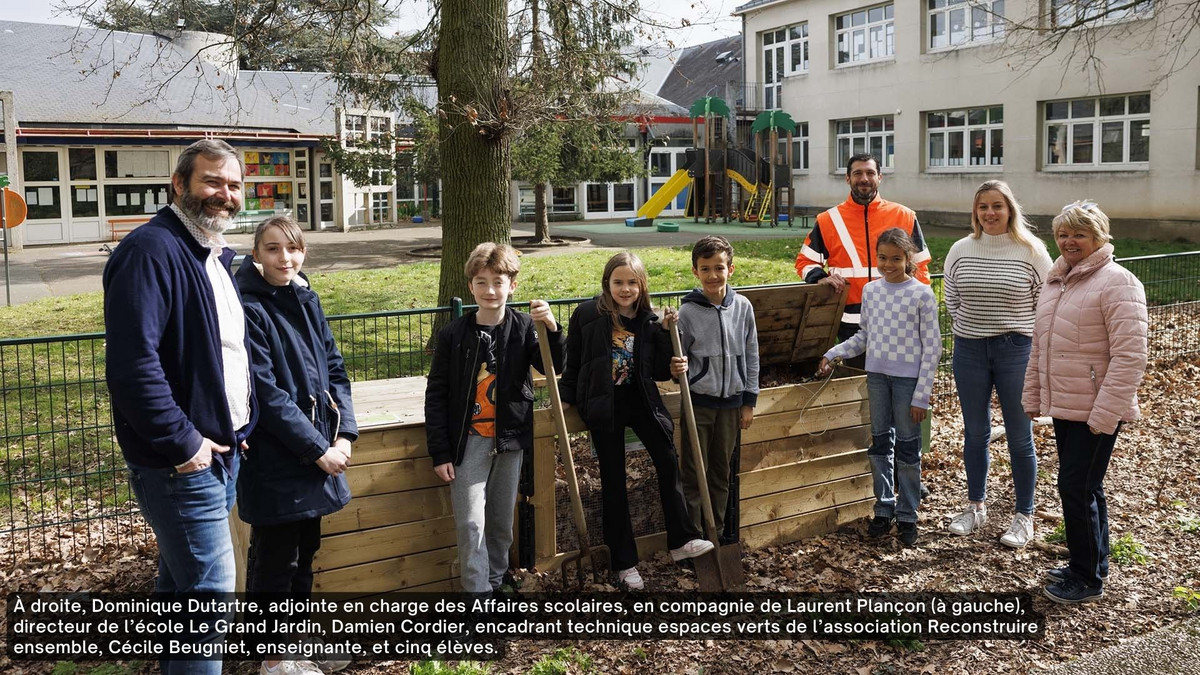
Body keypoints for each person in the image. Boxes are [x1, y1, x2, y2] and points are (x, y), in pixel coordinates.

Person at [103, 139, 255, 675]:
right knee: (209, 602)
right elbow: (131, 364)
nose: (225, 195)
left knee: (182, 591)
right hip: (181, 463)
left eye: (234, 185)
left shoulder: (212, 255)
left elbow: (223, 354)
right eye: (213, 182)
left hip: (222, 452)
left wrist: (243, 422)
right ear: (179, 185)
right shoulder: (151, 250)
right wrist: (184, 443)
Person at [236, 217, 356, 675]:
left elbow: (335, 368)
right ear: (256, 254)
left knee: (305, 550)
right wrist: (316, 449)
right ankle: (273, 656)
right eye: (272, 250)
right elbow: (266, 393)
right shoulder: (249, 308)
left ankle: (295, 638)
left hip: (318, 449)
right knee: (275, 559)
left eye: (292, 249)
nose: (284, 258)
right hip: (277, 456)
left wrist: (344, 433)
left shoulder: (307, 297)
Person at [559, 252, 714, 589]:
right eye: (619, 282)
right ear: (607, 283)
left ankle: (680, 540)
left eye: (632, 282)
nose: (625, 289)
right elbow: (573, 364)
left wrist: (674, 367)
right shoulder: (587, 314)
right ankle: (624, 563)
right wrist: (565, 400)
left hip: (640, 399)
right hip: (604, 404)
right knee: (613, 483)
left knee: (667, 458)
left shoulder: (649, 321)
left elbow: (657, 369)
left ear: (642, 286)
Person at [1024, 201, 1147, 604]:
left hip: (1095, 408)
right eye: (1062, 234)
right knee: (1083, 487)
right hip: (1067, 405)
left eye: (1079, 233)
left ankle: (1087, 577)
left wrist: (1105, 413)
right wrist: (1034, 395)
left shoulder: (1118, 282)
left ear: (1099, 237)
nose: (1068, 241)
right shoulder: (1059, 280)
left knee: (1077, 487)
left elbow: (1130, 356)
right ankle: (1090, 563)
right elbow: (1041, 345)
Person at [425, 243, 564, 595]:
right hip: (467, 442)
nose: (490, 291)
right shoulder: (453, 335)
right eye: (482, 282)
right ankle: (478, 594)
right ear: (470, 286)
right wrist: (440, 451)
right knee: (471, 522)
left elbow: (556, 366)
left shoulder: (523, 328)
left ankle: (497, 579)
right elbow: (436, 394)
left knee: (501, 521)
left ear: (512, 286)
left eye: (498, 282)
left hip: (509, 438)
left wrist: (551, 327)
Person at [943, 181, 1053, 548]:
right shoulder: (961, 250)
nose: (989, 213)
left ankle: (1024, 516)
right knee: (975, 433)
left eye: (997, 206)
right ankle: (976, 507)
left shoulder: (1032, 251)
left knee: (1020, 436)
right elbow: (952, 297)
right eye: (982, 207)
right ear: (974, 212)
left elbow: (1047, 304)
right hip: (969, 350)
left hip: (1015, 350)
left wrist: (1019, 338)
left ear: (1010, 210)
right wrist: (975, 329)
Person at [818, 229, 941, 547]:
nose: (888, 264)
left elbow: (932, 348)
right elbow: (863, 337)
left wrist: (921, 394)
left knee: (908, 448)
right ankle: (883, 509)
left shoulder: (921, 294)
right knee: (880, 445)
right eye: (883, 258)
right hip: (877, 378)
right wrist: (833, 353)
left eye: (896, 259)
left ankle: (908, 514)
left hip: (907, 383)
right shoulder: (871, 292)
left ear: (908, 258)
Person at [795, 153, 932, 370]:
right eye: (857, 173)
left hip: (898, 319)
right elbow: (805, 262)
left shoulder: (904, 215)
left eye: (870, 173)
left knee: (897, 384)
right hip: (851, 323)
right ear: (848, 178)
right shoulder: (828, 219)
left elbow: (921, 268)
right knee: (859, 386)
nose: (864, 178)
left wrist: (921, 312)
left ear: (880, 177)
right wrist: (820, 278)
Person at [676, 236, 759, 540]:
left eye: (719, 268)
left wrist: (749, 401)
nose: (713, 275)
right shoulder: (687, 312)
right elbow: (679, 359)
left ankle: (717, 532)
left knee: (720, 473)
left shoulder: (743, 307)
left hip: (731, 405)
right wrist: (676, 371)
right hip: (698, 404)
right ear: (695, 272)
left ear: (731, 269)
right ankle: (695, 536)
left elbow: (751, 355)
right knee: (694, 472)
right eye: (706, 268)